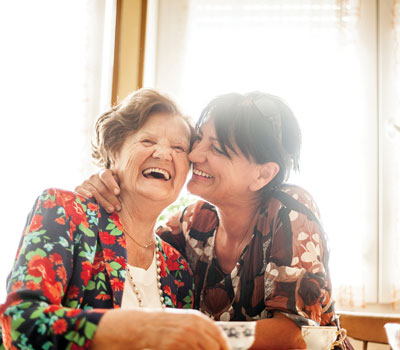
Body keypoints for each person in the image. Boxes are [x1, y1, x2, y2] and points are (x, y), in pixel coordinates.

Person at [77, 91, 352, 350]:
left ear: (262, 175)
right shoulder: (193, 222)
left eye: (217, 148)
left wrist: (196, 333)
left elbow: (291, 333)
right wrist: (110, 183)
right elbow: (135, 244)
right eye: (199, 139)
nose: (194, 155)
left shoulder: (290, 210)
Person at [0, 89, 229, 350]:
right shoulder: (66, 211)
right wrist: (141, 328)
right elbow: (18, 323)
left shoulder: (178, 269)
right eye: (147, 141)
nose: (164, 154)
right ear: (113, 150)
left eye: (179, 148)